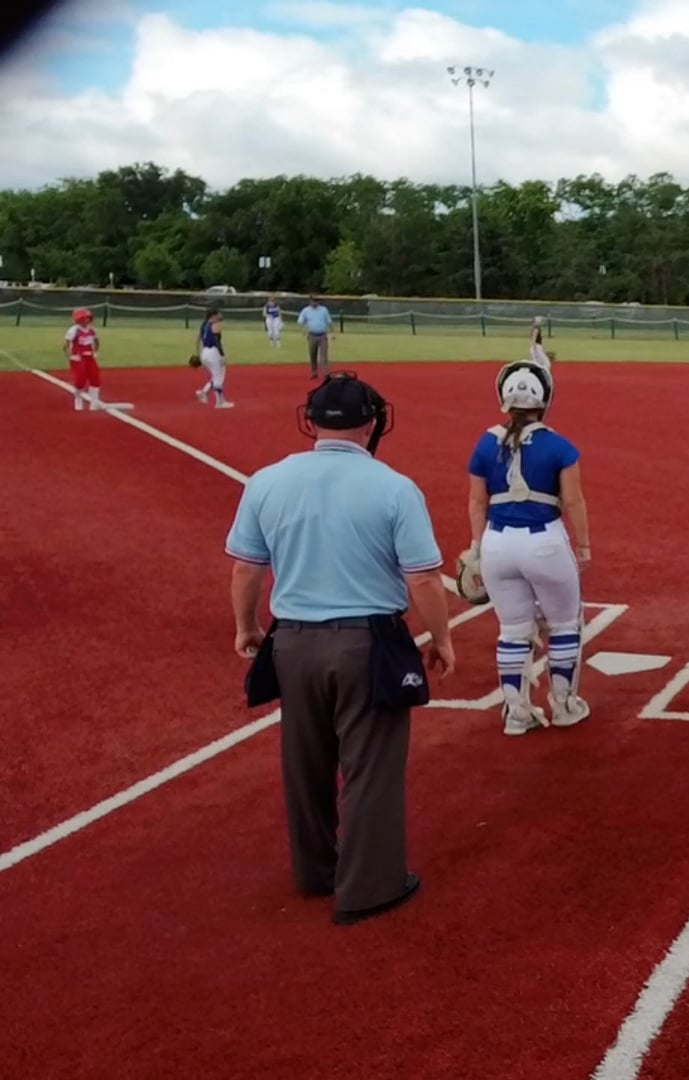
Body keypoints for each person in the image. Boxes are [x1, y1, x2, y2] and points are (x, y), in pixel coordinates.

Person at [224, 372, 454, 926]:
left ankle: (315, 871)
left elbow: (246, 568)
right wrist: (442, 638)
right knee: (369, 766)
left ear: (310, 422)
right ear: (372, 424)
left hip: (292, 640)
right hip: (367, 641)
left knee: (304, 761)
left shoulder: (266, 481)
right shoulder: (395, 488)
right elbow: (423, 578)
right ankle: (368, 886)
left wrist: (247, 627)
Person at [464, 360, 592, 736]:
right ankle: (564, 705)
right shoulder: (559, 446)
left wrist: (476, 547)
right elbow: (573, 501)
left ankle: (517, 713)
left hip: (496, 543)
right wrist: (583, 545)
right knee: (565, 624)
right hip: (544, 542)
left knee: (513, 630)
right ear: (544, 399)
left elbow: (477, 502)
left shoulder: (484, 443)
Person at [63, 307, 106, 411]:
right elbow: (66, 345)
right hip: (78, 358)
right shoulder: (74, 330)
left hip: (89, 356)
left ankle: (94, 402)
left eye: (88, 318)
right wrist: (70, 356)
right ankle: (78, 399)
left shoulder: (91, 330)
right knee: (80, 380)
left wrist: (95, 352)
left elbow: (96, 341)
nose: (87, 320)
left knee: (95, 378)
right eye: (85, 318)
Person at [194, 308, 233, 408]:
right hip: (213, 352)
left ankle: (203, 392)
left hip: (205, 352)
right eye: (218, 314)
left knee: (216, 376)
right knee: (219, 376)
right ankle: (219, 402)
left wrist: (198, 354)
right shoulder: (215, 325)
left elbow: (198, 339)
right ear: (213, 316)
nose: (220, 316)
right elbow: (217, 342)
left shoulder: (204, 324)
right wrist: (222, 355)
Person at [297, 297, 333, 378]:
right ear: (310, 301)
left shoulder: (323, 310)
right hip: (312, 335)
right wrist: (303, 331)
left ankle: (326, 373)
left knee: (324, 355)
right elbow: (300, 321)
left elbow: (329, 321)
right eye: (313, 301)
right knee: (312, 354)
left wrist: (332, 332)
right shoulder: (306, 310)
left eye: (316, 301)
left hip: (322, 335)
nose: (314, 303)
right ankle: (314, 372)